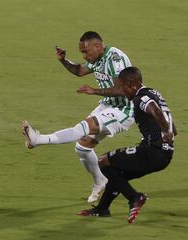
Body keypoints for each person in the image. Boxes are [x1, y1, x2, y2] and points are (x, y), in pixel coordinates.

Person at [22, 31, 134, 203]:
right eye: (82, 52)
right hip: (108, 104)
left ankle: (38, 139)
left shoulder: (115, 59)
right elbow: (80, 71)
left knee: (83, 127)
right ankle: (100, 181)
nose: (84, 56)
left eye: (85, 52)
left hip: (123, 109)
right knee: (82, 147)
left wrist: (94, 90)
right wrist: (63, 61)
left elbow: (123, 90)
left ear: (97, 46)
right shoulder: (97, 58)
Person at [77, 66, 177, 224]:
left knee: (103, 162)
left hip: (152, 152)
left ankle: (135, 197)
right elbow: (167, 118)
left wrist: (165, 132)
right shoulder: (154, 92)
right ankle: (102, 209)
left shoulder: (141, 98)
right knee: (117, 174)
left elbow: (156, 111)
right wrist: (169, 133)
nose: (122, 91)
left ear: (131, 84)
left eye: (122, 86)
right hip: (165, 154)